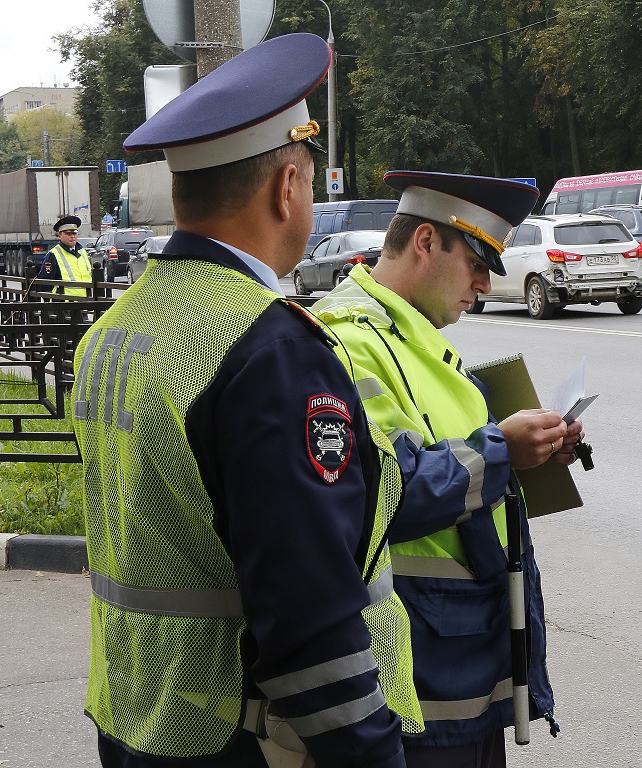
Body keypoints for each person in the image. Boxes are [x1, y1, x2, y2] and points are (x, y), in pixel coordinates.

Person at [71, 33, 421, 768]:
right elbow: (308, 613)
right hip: (247, 738)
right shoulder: (267, 348)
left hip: (143, 718)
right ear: (286, 186)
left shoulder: (115, 326)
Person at [312, 171, 583, 767]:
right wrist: (500, 450)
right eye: (477, 263)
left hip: (461, 660)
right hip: (419, 677)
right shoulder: (349, 341)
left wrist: (530, 454)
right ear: (426, 242)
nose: (484, 286)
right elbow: (383, 493)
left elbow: (456, 468)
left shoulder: (417, 338)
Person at [42, 214, 92, 295]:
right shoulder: (53, 255)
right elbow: (45, 285)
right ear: (59, 235)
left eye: (74, 233)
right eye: (68, 233)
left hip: (86, 302)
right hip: (65, 304)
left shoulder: (82, 252)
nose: (72, 236)